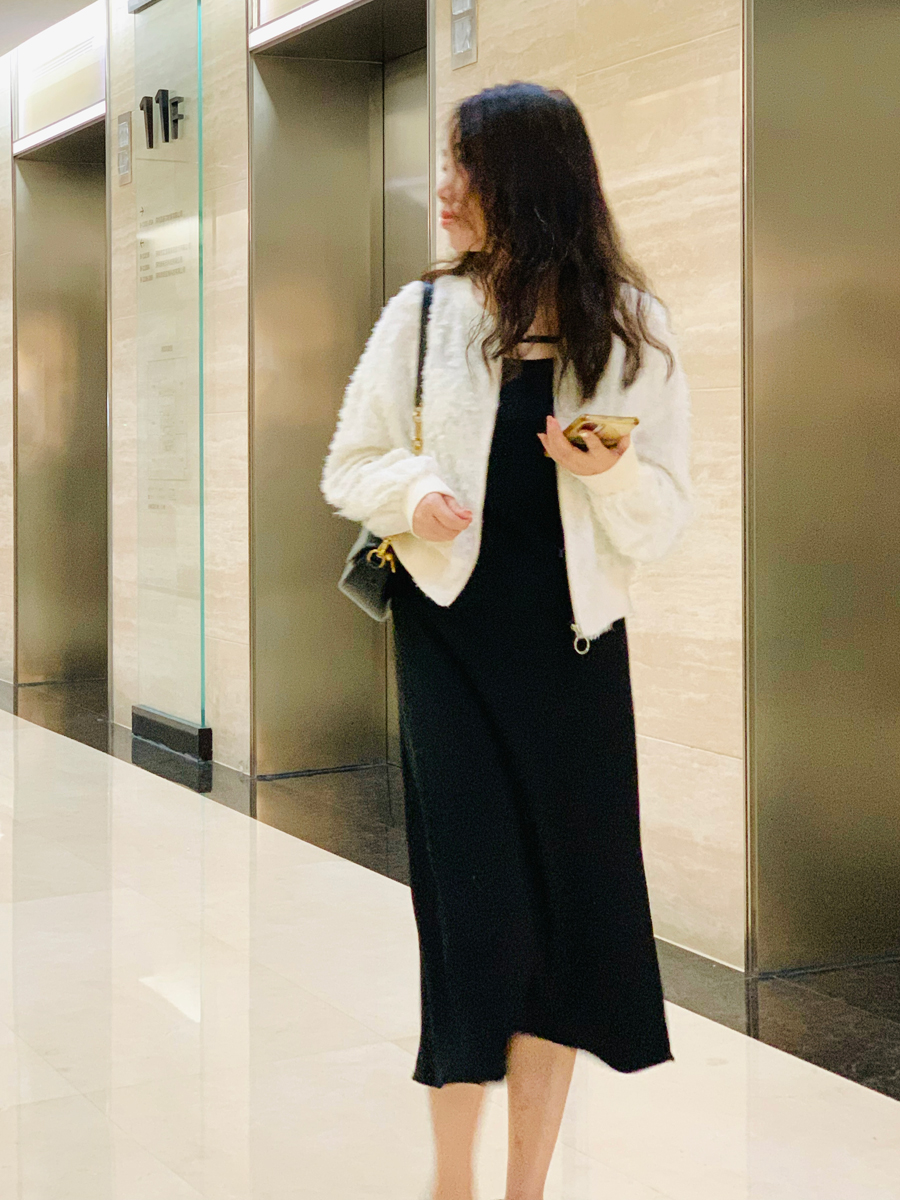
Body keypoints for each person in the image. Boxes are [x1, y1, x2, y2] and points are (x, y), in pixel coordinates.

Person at [321, 81, 692, 1200]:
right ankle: (453, 1182)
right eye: (447, 162)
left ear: (526, 179)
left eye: (465, 165)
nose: (445, 186)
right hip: (449, 650)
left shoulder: (629, 324)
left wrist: (609, 472)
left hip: (574, 660)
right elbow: (350, 464)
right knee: (474, 921)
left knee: (565, 927)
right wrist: (416, 491)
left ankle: (524, 1188)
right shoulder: (423, 315)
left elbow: (665, 516)